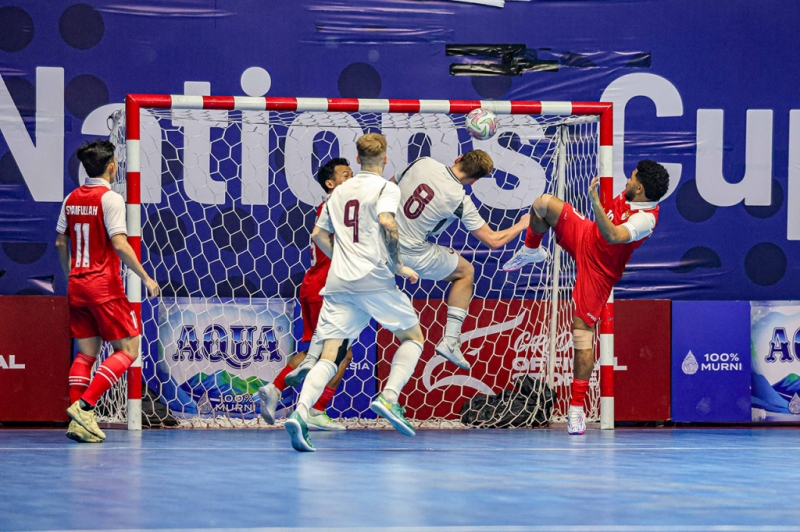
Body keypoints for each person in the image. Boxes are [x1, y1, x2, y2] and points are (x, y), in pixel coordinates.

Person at [502, 160, 669, 434]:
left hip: (599, 271)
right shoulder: (633, 194)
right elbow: (601, 230)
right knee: (543, 203)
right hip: (586, 235)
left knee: (582, 336)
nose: (627, 180)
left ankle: (576, 409)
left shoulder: (646, 219)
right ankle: (532, 249)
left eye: (632, 178)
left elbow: (614, 235)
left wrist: (594, 202)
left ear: (639, 189)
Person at [284, 133, 424, 452]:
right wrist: (399, 265)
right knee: (413, 338)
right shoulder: (386, 187)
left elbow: (318, 235)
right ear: (385, 159)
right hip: (373, 279)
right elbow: (388, 223)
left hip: (338, 283)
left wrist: (342, 258)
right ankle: (389, 398)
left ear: (357, 159)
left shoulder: (339, 192)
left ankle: (301, 413)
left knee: (329, 355)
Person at [55, 140, 159, 443]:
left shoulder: (71, 198)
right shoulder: (110, 199)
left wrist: (70, 275)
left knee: (86, 354)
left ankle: (76, 424)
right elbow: (120, 244)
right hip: (104, 287)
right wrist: (145, 276)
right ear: (112, 165)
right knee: (129, 350)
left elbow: (61, 243)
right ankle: (86, 407)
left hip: (78, 284)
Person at [393, 152, 530, 370]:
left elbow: (388, 188)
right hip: (410, 253)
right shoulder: (460, 200)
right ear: (475, 180)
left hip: (378, 241)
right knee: (466, 272)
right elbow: (493, 241)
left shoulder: (423, 162)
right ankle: (450, 340)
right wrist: (522, 224)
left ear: (458, 158)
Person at [257, 158, 354, 431]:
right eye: (346, 175)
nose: (355, 179)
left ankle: (275, 389)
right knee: (341, 356)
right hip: (328, 290)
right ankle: (315, 409)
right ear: (330, 184)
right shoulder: (339, 207)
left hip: (314, 288)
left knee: (313, 353)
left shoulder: (335, 207)